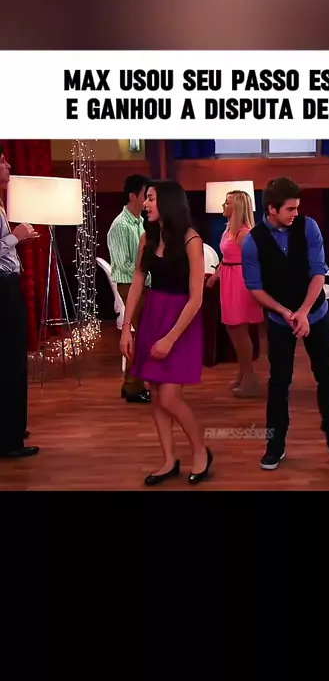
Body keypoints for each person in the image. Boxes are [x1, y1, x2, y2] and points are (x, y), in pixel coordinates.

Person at [242, 176, 329, 470]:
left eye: (297, 207)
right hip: (280, 320)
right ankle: (275, 444)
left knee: (327, 376)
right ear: (272, 209)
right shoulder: (253, 241)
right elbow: (255, 288)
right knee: (279, 382)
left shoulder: (309, 227)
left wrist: (304, 312)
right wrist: (284, 311)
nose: (296, 213)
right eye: (290, 209)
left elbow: (318, 272)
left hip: (315, 314)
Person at [120, 180, 213, 486]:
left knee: (170, 397)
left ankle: (200, 451)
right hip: (153, 317)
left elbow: (197, 298)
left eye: (151, 198)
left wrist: (171, 338)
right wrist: (126, 328)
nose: (145, 204)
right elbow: (137, 281)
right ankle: (168, 460)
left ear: (168, 202)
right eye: (146, 198)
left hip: (181, 323)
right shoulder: (147, 238)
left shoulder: (191, 240)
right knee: (157, 396)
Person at [0, 145, 40, 459]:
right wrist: (15, 236)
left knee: (14, 359)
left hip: (8, 286)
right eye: (2, 161)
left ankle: (13, 428)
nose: (8, 165)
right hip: (2, 289)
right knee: (9, 362)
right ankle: (9, 439)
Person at [207, 189, 264, 396]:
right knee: (233, 329)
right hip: (229, 279)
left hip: (240, 283)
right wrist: (216, 275)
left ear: (238, 207)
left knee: (239, 330)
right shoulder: (230, 229)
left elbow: (257, 261)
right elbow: (227, 258)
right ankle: (243, 373)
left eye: (227, 202)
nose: (223, 205)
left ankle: (250, 379)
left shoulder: (244, 234)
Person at [107, 174, 151, 403]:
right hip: (129, 284)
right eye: (145, 195)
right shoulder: (120, 225)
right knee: (142, 334)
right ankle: (133, 386)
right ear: (133, 196)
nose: (147, 200)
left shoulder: (141, 221)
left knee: (146, 333)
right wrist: (149, 272)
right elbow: (124, 263)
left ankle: (133, 383)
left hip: (142, 282)